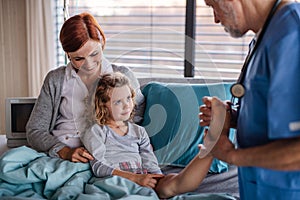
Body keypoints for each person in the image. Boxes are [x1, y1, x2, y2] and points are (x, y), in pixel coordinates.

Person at [199, 0, 300, 199]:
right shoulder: (263, 36)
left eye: (212, 6)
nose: (216, 18)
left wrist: (230, 155)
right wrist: (231, 116)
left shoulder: (292, 32)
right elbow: (275, 115)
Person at [26, 12, 145, 163]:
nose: (88, 65)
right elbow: (35, 131)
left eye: (94, 54)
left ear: (102, 43)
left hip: (107, 156)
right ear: (68, 55)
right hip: (63, 157)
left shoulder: (123, 76)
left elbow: (138, 118)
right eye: (78, 58)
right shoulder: (56, 79)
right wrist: (64, 151)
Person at [81, 72, 164, 188]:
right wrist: (134, 178)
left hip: (140, 181)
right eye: (118, 101)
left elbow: (150, 161)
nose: (127, 106)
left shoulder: (139, 131)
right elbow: (99, 166)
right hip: (112, 181)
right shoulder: (96, 132)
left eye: (128, 98)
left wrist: (159, 181)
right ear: (103, 105)